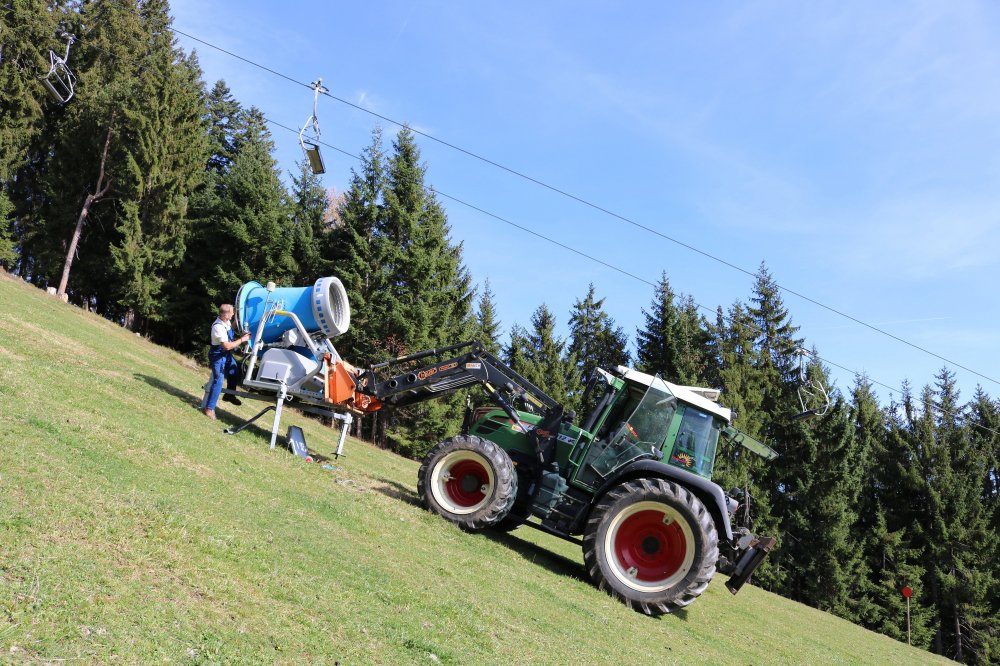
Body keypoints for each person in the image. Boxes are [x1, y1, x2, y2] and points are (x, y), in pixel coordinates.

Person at [203, 303, 250, 419]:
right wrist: (242, 339)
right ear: (226, 315)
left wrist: (242, 318)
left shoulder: (226, 322)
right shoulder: (218, 327)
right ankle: (209, 408)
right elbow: (227, 346)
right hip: (218, 355)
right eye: (232, 313)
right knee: (218, 381)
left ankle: (229, 395)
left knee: (234, 371)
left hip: (226, 355)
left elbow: (231, 327)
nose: (233, 314)